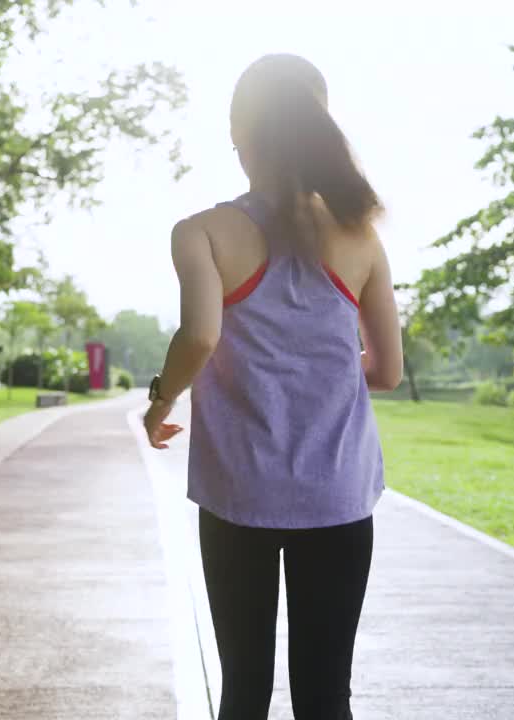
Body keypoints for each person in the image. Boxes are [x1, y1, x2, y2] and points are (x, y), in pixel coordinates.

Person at [142, 53, 403, 720]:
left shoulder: (201, 231)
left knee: (244, 690)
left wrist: (161, 399)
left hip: (237, 496)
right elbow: (388, 371)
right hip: (339, 497)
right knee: (325, 697)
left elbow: (199, 339)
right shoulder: (360, 235)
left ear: (237, 130)